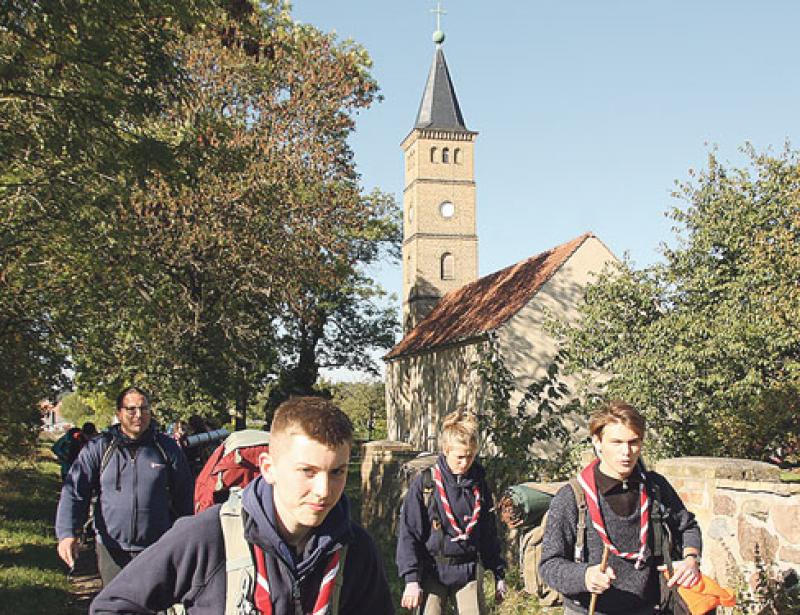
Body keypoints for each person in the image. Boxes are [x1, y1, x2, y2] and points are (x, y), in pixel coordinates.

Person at [89, 396, 395, 614]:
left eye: (337, 472)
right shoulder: (207, 537)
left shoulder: (355, 549)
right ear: (268, 467)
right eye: (307, 471)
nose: (324, 491)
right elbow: (113, 606)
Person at [540, 401, 703, 615]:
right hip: (590, 610)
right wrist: (584, 576)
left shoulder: (655, 488)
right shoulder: (572, 497)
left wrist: (691, 560)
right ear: (597, 442)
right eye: (616, 442)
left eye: (633, 442)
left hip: (650, 609)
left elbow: (687, 527)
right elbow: (549, 565)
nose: (626, 452)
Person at [55, 386, 194, 586]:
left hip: (156, 546)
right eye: (131, 409)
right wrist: (67, 533)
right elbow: (75, 491)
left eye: (144, 409)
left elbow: (185, 495)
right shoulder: (100, 448)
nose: (139, 415)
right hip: (112, 549)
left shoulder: (167, 448)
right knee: (116, 606)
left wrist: (185, 537)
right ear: (119, 413)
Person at [396, 409, 506, 615]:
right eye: (459, 457)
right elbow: (409, 533)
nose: (465, 463)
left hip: (467, 570)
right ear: (445, 450)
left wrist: (499, 573)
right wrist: (411, 579)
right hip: (433, 570)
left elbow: (488, 532)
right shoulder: (426, 484)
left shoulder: (479, 485)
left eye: (470, 456)